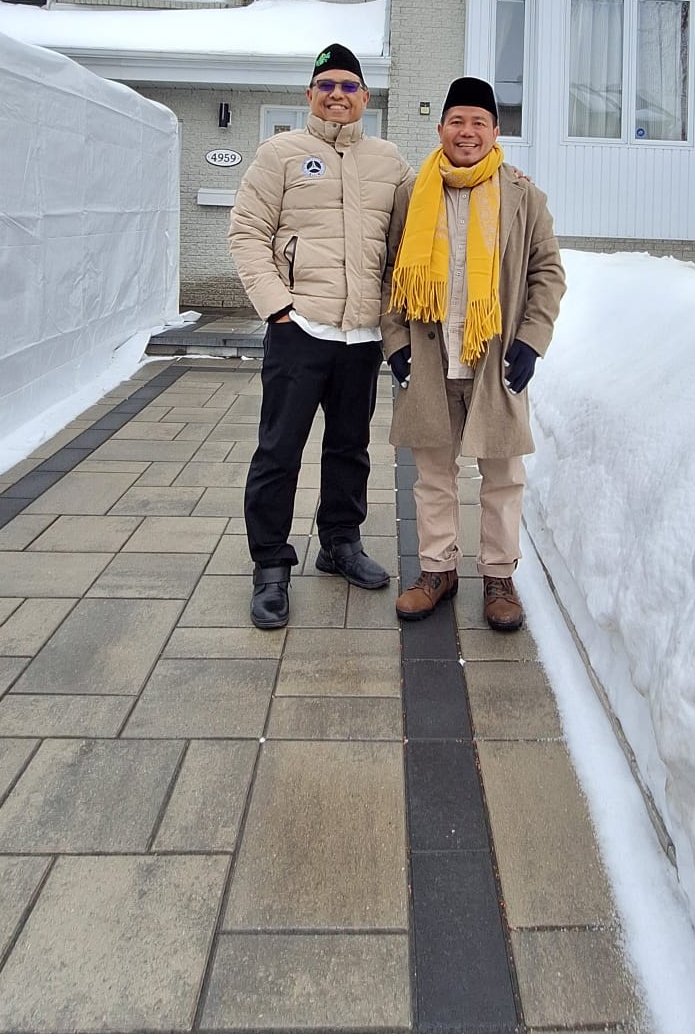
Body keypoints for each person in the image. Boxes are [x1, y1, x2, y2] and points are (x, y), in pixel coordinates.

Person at [228, 44, 413, 629]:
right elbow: (247, 233)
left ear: (364, 97)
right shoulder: (280, 154)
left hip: (360, 334)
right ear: (310, 94)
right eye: (326, 84)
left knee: (349, 446)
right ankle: (271, 565)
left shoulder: (390, 163)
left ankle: (339, 542)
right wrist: (277, 308)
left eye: (349, 86)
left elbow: (426, 219)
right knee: (280, 449)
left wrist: (504, 180)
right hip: (300, 328)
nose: (338, 94)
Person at [382, 76, 565, 632]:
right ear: (440, 128)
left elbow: (547, 273)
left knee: (503, 477)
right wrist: (395, 343)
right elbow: (391, 273)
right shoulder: (413, 193)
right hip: (431, 359)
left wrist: (532, 340)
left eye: (478, 122)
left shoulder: (522, 195)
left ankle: (498, 577)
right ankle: (437, 570)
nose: (467, 132)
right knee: (432, 475)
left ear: (495, 130)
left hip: (494, 362)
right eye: (457, 121)